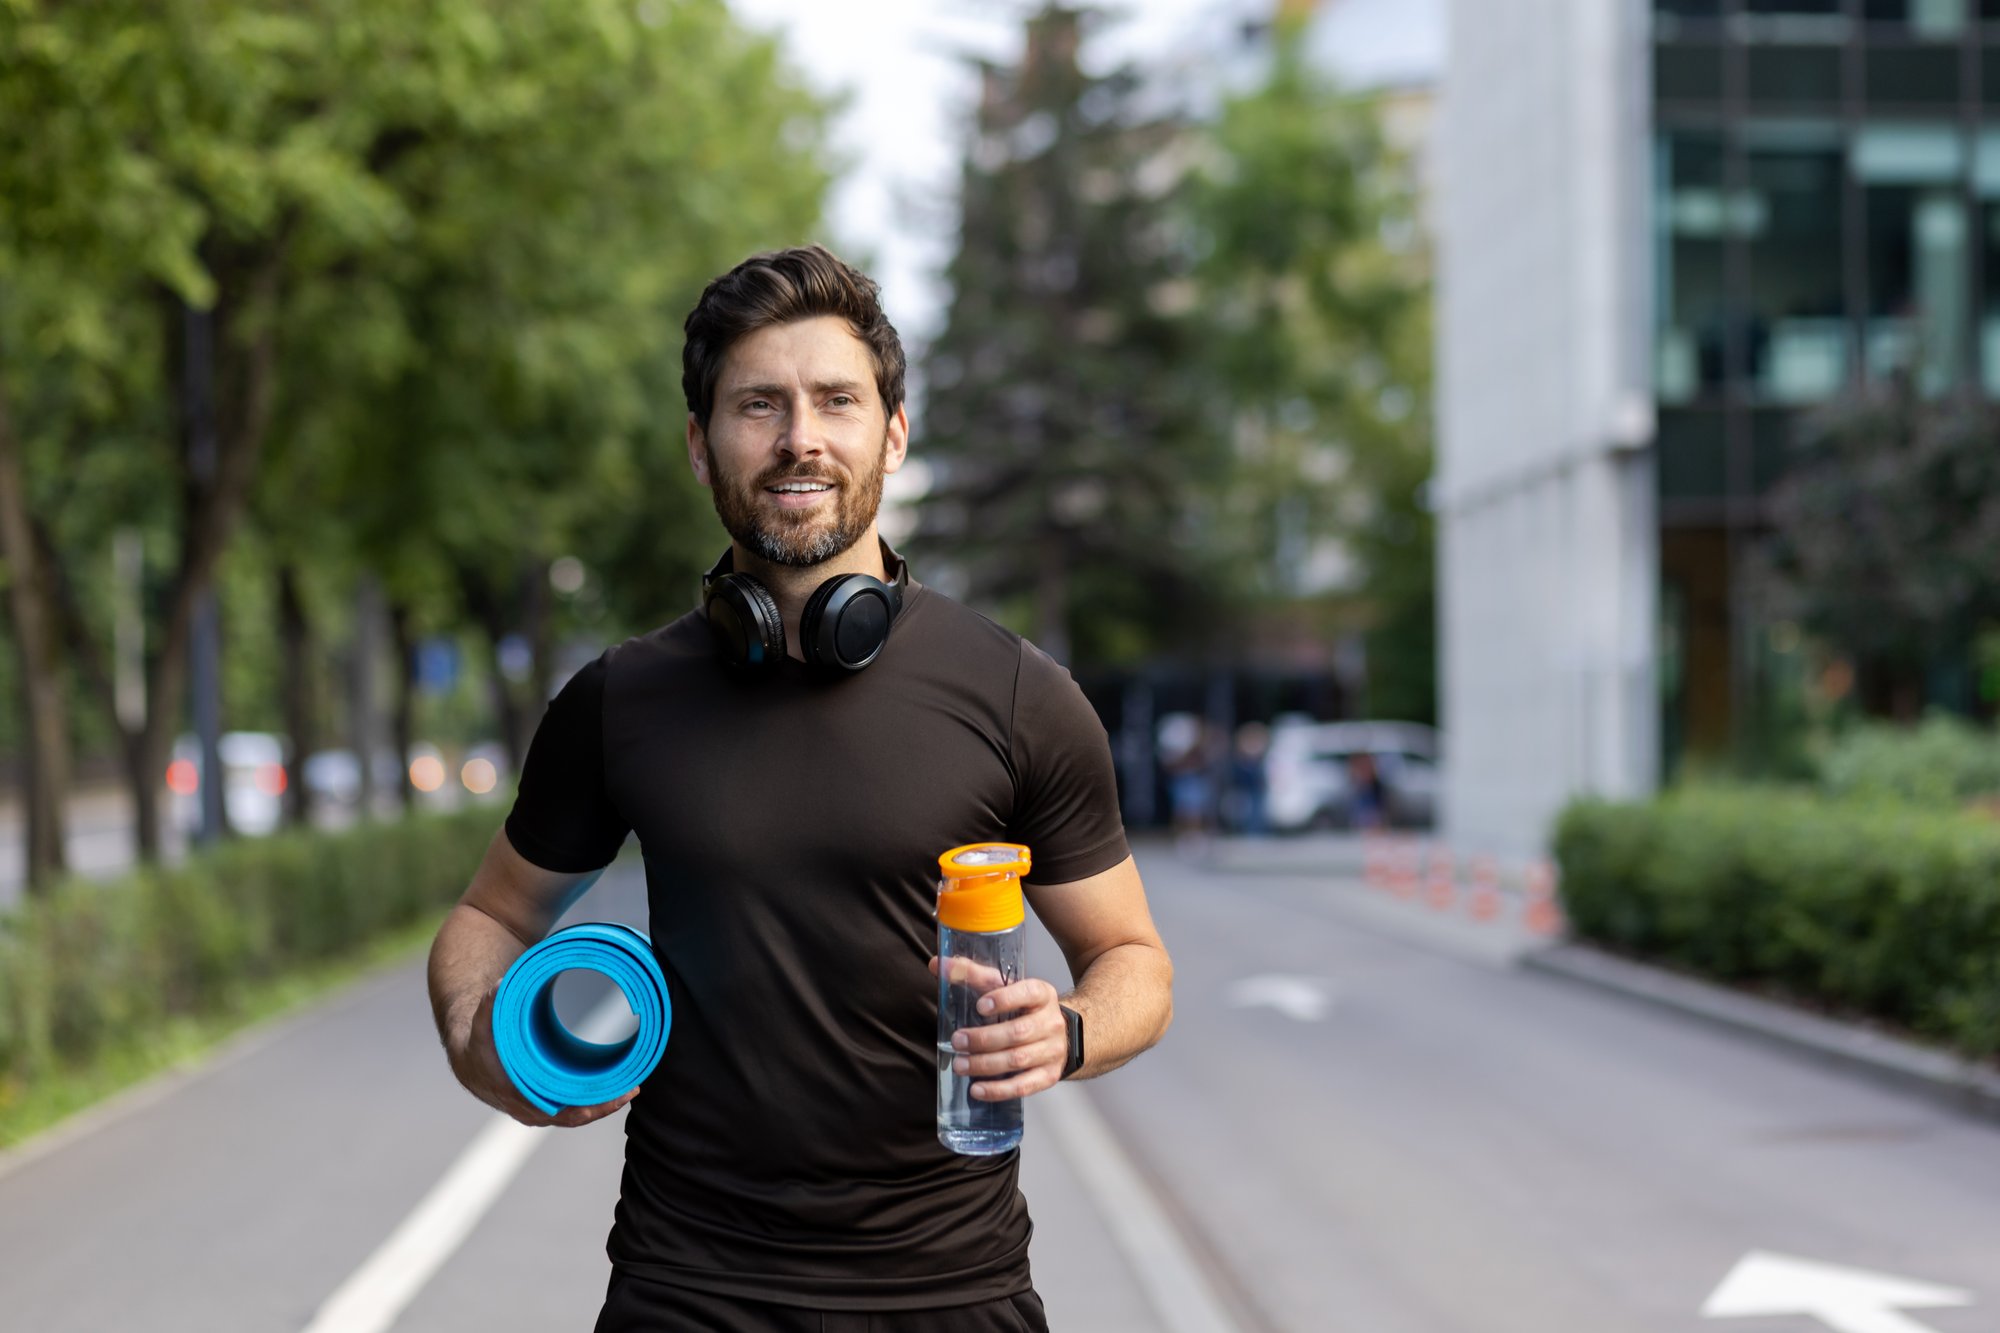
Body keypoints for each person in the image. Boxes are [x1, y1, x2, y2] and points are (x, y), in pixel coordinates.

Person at [426, 245, 1174, 1333]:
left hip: (948, 1295)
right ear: (699, 444)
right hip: (688, 1292)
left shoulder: (1018, 696)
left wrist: (1064, 1030)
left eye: (835, 400)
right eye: (758, 405)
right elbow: (491, 914)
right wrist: (473, 1034)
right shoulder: (619, 700)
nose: (799, 438)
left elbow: (1134, 961)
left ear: (893, 432)